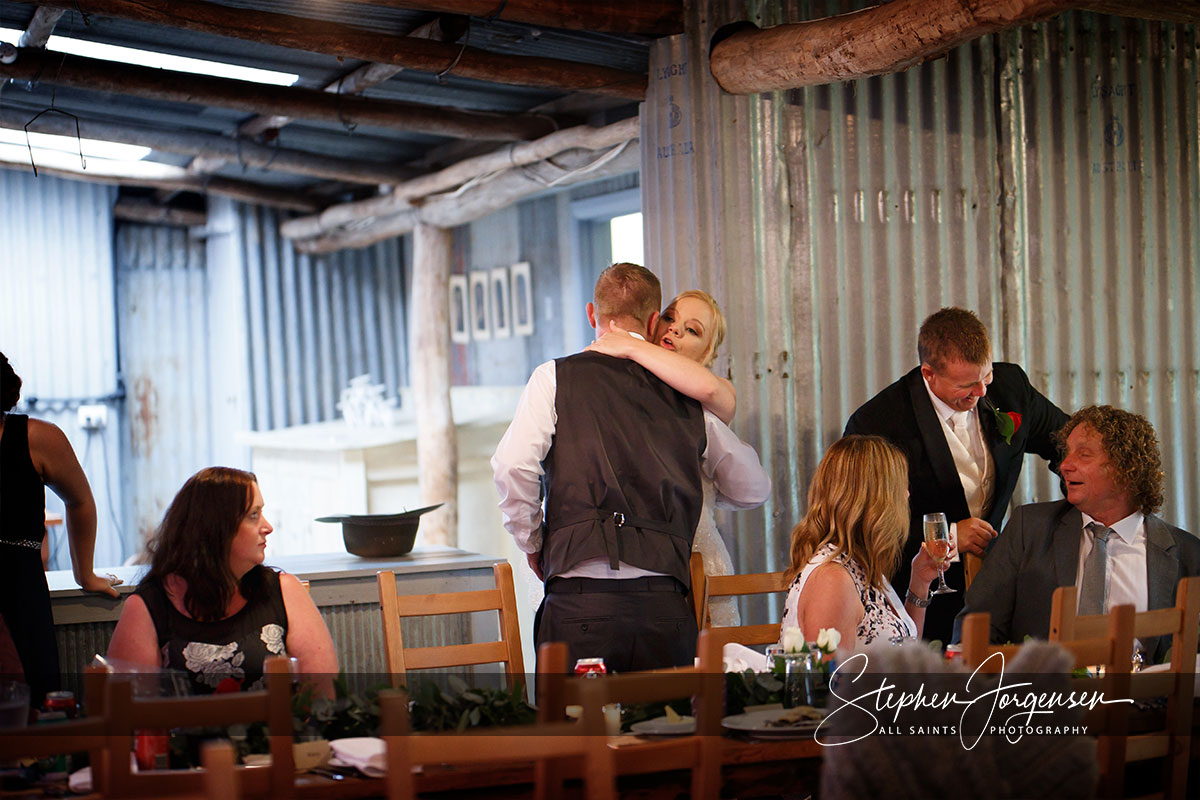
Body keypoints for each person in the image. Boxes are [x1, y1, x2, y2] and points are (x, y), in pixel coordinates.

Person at [492, 264, 770, 673]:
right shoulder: (686, 398)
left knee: (577, 731)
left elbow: (513, 466)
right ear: (655, 321)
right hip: (663, 601)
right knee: (667, 729)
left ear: (592, 314)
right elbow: (754, 489)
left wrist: (532, 541)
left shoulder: (553, 378)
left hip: (578, 597)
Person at [843, 307, 1068, 644]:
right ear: (929, 373)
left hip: (997, 593)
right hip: (918, 599)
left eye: (986, 377)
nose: (981, 393)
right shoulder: (879, 422)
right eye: (967, 385)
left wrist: (1080, 503)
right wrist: (945, 538)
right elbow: (865, 523)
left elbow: (1068, 441)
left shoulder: (1011, 387)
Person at [953, 406, 1200, 663]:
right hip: (1043, 697)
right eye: (1067, 453)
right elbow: (976, 626)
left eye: (1084, 455)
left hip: (1143, 700)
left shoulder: (1187, 555)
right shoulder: (1030, 528)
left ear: (1127, 468)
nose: (1065, 465)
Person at [107, 467, 338, 696]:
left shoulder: (283, 590)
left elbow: (323, 697)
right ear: (217, 528)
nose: (268, 527)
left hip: (276, 733)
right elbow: (130, 715)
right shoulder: (148, 607)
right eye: (254, 515)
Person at [586, 289, 742, 624]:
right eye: (670, 318)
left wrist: (630, 344)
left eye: (692, 330)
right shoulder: (616, 382)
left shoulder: (712, 392)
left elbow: (717, 393)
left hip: (695, 559)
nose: (674, 330)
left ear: (708, 353)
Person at [0, 352, 119, 703]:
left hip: (19, 589)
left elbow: (80, 500)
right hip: (21, 585)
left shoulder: (37, 437)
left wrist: (85, 574)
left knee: (33, 701)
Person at [780, 436, 945, 651]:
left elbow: (905, 652)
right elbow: (832, 682)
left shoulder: (857, 563)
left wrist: (920, 583)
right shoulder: (833, 581)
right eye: (900, 486)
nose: (906, 495)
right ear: (875, 500)